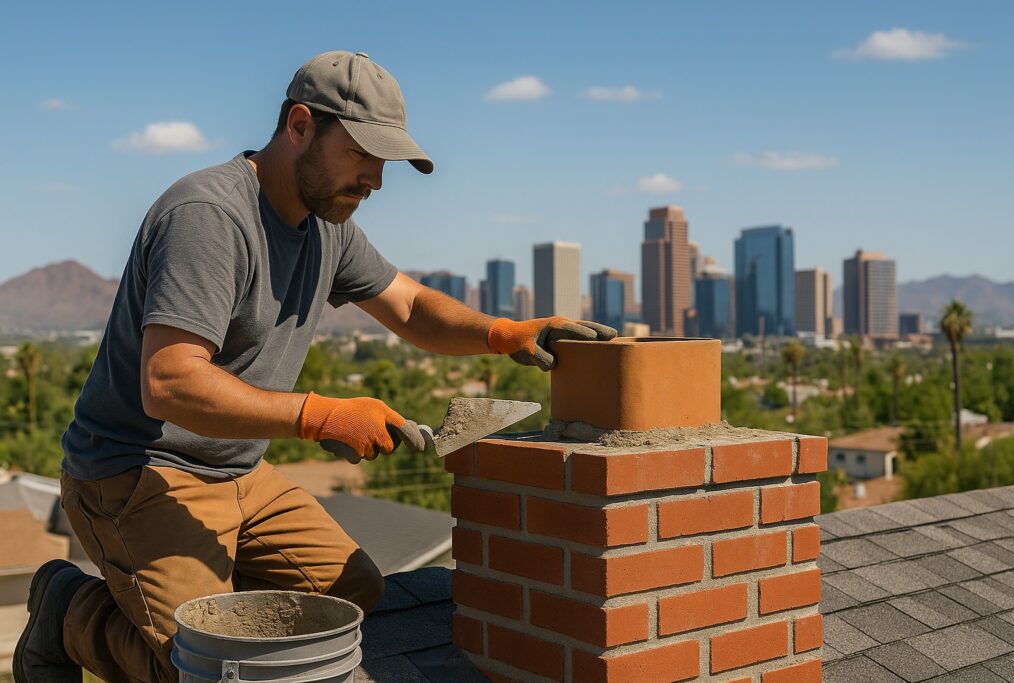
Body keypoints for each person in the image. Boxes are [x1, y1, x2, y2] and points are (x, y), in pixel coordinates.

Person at [13, 50, 616, 682]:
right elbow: (169, 381)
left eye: (384, 162)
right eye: (362, 154)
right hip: (141, 471)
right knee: (210, 668)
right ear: (300, 125)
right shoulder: (209, 215)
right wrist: (321, 415)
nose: (375, 180)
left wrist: (502, 333)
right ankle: (70, 611)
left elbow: (411, 306)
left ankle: (203, 603)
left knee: (352, 594)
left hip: (239, 469)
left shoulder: (327, 224)